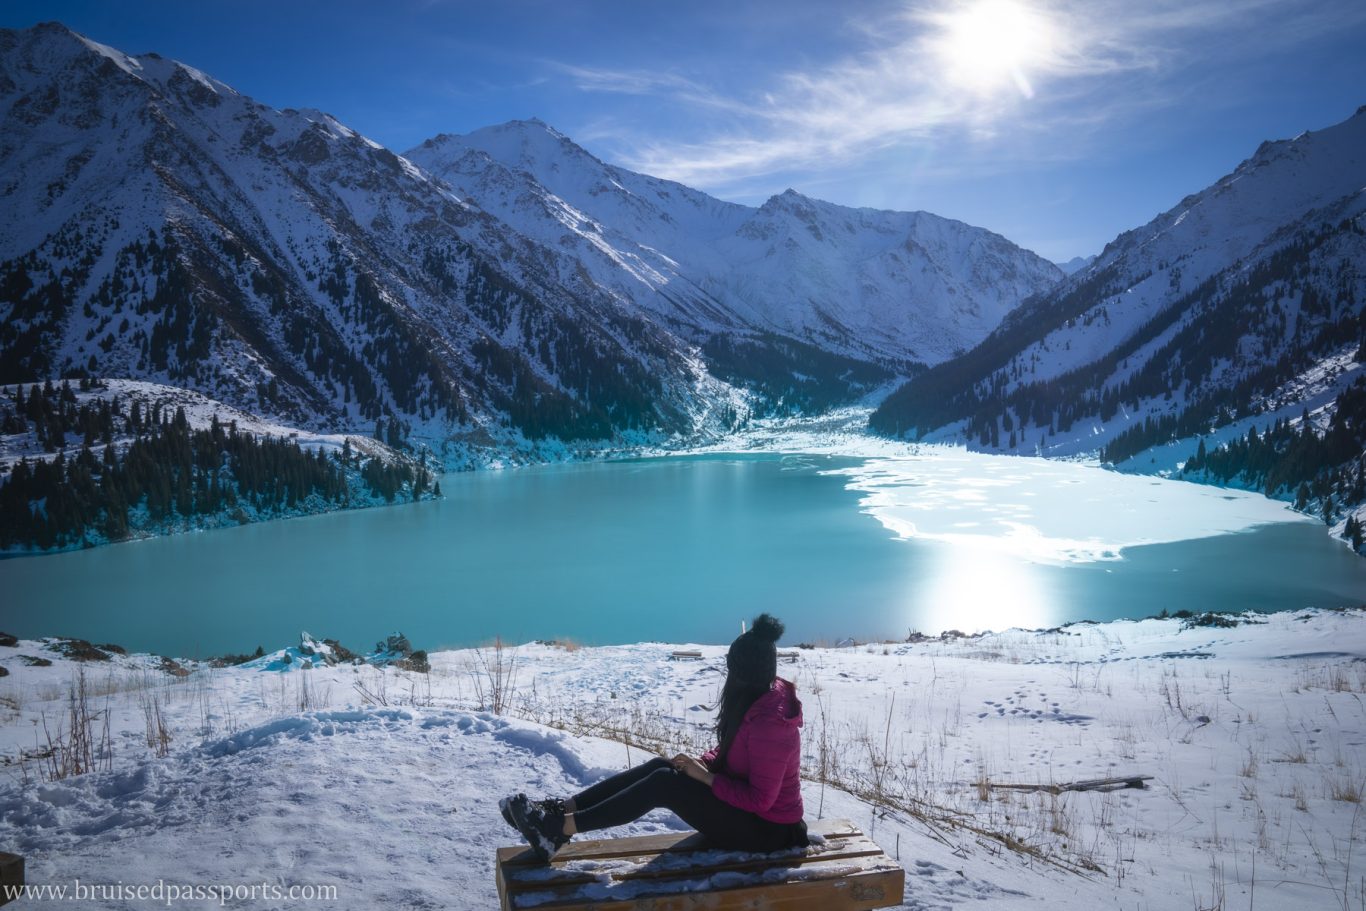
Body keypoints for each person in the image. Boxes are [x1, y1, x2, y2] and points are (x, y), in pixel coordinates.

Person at [500, 613, 808, 861]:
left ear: (740, 675)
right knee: (662, 767)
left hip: (770, 833)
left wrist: (705, 778)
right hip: (750, 819)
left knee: (665, 784)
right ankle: (561, 810)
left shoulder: (772, 724)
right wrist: (703, 763)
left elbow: (760, 800)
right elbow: (735, 752)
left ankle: (558, 831)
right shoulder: (757, 701)